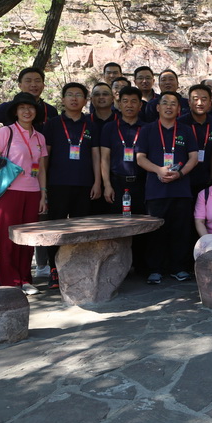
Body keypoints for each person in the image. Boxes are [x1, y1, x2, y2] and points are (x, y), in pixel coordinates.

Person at [0, 92, 48, 295]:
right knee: (6, 239)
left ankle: (25, 279)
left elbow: (41, 169)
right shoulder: (5, 132)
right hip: (8, 192)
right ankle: (10, 281)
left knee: (28, 239)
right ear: (15, 111)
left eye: (30, 107)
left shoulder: (40, 137)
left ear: (36, 111)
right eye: (22, 107)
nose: (27, 111)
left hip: (32, 192)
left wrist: (43, 194)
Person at [136, 91, 199, 284]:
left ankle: (179, 268)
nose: (169, 107)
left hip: (181, 189)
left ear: (179, 108)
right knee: (156, 231)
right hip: (156, 190)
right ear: (157, 107)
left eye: (173, 103)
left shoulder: (186, 130)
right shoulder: (147, 130)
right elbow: (140, 158)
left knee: (180, 230)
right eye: (165, 103)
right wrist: (159, 170)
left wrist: (180, 174)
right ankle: (155, 269)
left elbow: (194, 157)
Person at [42, 83, 101, 288]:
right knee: (55, 228)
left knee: (81, 228)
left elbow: (96, 156)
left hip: (84, 184)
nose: (74, 98)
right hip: (57, 183)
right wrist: (43, 186)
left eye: (78, 95)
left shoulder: (91, 125)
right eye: (69, 95)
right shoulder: (52, 124)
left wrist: (98, 182)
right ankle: (54, 269)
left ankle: (78, 269)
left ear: (85, 100)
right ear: (63, 99)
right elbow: (45, 157)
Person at [100, 86, 148, 273]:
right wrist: (107, 185)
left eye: (134, 101)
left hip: (141, 182)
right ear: (118, 104)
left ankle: (141, 265)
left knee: (142, 224)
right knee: (117, 225)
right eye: (125, 101)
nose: (129, 105)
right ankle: (117, 267)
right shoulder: (110, 128)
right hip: (117, 182)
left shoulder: (147, 128)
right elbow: (104, 158)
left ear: (140, 105)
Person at [0, 67, 58, 139]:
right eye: (28, 81)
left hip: (42, 152)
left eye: (37, 81)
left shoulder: (50, 110)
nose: (33, 85)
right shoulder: (8, 107)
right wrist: (4, 142)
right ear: (20, 86)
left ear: (43, 85)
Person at [178, 83, 212, 197]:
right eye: (195, 99)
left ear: (210, 102)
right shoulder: (180, 123)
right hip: (182, 178)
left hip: (205, 178)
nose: (200, 103)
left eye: (204, 99)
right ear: (189, 102)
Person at [88, 82, 118, 215]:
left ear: (112, 98)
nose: (101, 97)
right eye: (97, 94)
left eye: (105, 94)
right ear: (91, 99)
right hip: (89, 180)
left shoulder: (121, 121)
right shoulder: (85, 122)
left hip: (116, 178)